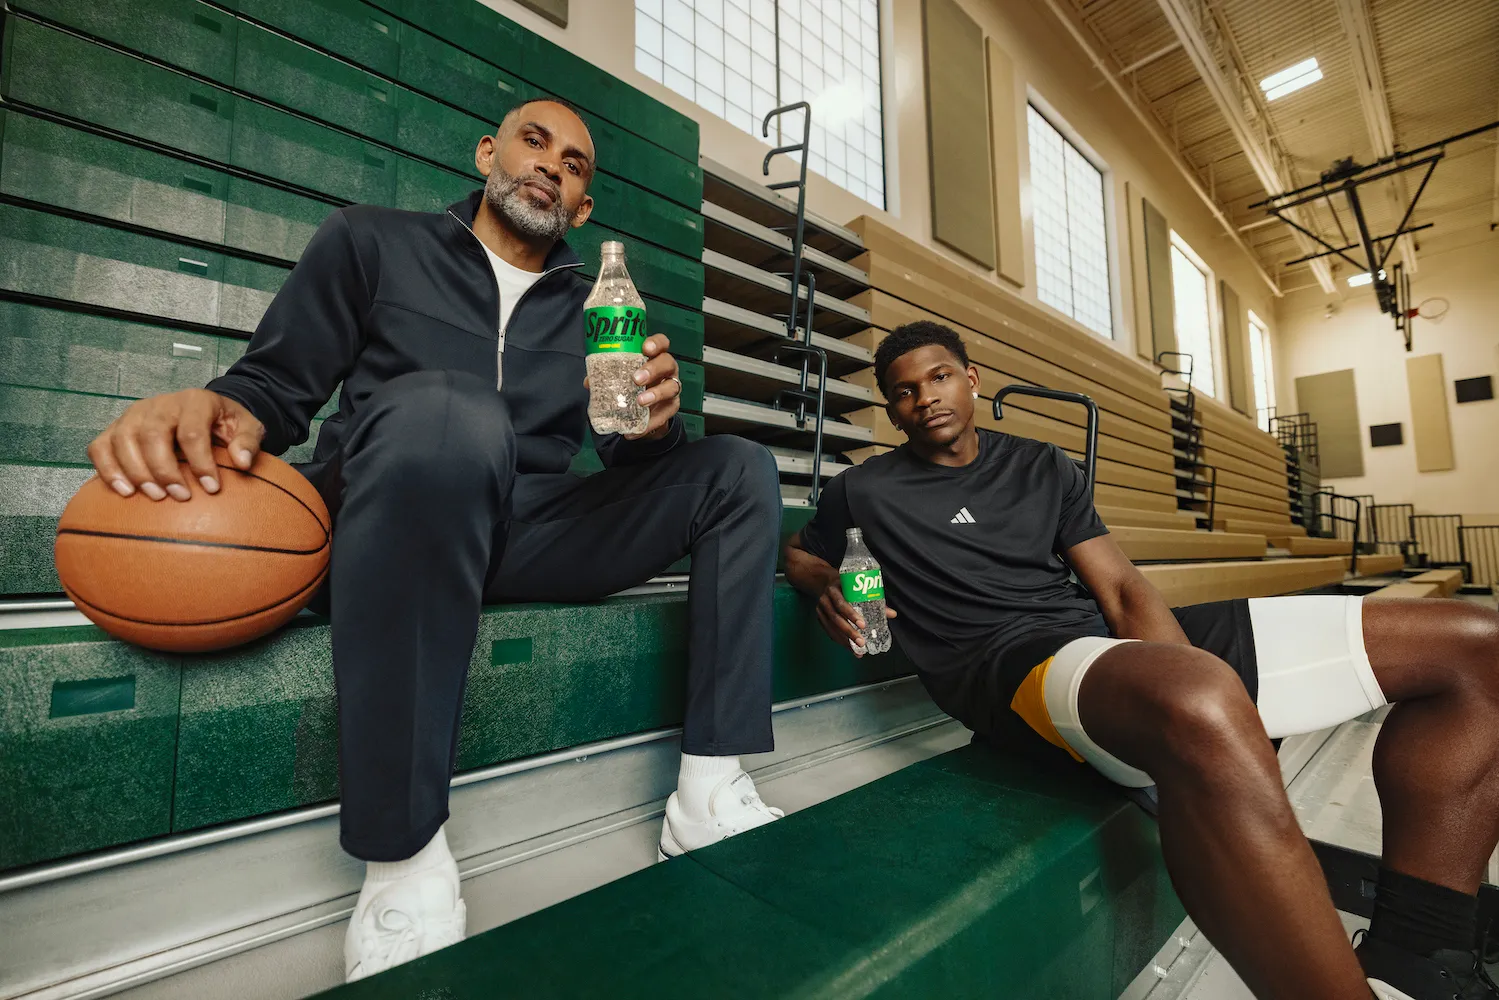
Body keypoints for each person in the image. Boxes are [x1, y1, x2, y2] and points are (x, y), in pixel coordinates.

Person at [84, 98, 785, 981]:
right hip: (390, 509)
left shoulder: (593, 305)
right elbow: (275, 385)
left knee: (740, 468)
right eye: (535, 141)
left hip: (528, 525)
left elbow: (623, 450)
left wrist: (654, 432)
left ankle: (708, 790)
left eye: (574, 164)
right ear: (488, 151)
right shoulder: (370, 240)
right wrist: (214, 405)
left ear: (583, 207)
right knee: (451, 407)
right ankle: (403, 857)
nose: (550, 165)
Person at [783, 321, 1499, 1000]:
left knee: (1474, 644)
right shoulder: (864, 489)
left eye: (939, 377)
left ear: (971, 379)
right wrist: (824, 586)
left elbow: (1121, 588)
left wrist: (1192, 692)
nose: (926, 396)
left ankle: (1420, 958)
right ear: (892, 410)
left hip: (1098, 639)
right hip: (1006, 666)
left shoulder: (1038, 463)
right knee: (1199, 702)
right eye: (905, 391)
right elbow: (799, 554)